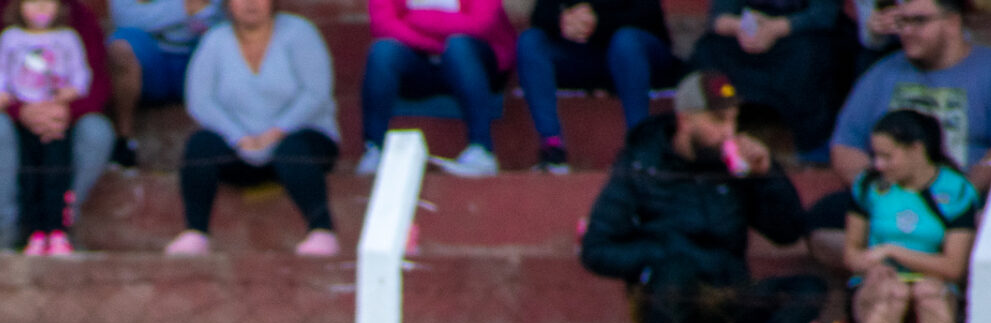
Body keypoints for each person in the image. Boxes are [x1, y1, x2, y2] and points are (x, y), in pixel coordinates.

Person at [580, 71, 827, 323]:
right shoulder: (640, 163)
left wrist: (767, 173)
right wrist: (663, 253)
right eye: (717, 120)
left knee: (809, 289)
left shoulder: (733, 166)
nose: (728, 132)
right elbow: (596, 250)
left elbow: (787, 232)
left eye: (733, 121)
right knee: (675, 271)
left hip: (726, 293)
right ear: (685, 119)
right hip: (664, 296)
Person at [811, 0, 991, 262]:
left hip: (964, 202)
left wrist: (962, 194)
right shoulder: (882, 72)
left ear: (953, 22)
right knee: (823, 217)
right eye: (903, 22)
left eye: (919, 21)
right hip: (891, 201)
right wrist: (881, 193)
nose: (907, 31)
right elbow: (846, 145)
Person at [834, 109, 980, 323]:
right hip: (877, 291)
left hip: (935, 289)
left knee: (929, 292)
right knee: (894, 292)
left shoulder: (955, 191)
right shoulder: (869, 187)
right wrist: (871, 266)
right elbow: (853, 254)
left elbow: (954, 266)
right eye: (876, 156)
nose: (879, 165)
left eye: (888, 156)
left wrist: (894, 251)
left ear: (917, 149)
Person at [166, 0, 342, 256]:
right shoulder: (215, 41)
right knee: (200, 145)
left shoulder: (300, 33)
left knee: (293, 150)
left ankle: (322, 232)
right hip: (241, 146)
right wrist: (238, 137)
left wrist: (277, 131)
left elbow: (316, 93)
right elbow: (200, 100)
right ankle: (196, 233)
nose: (250, 3)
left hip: (302, 140)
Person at [0, 0, 114, 251]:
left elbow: (96, 83)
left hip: (62, 122)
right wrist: (21, 111)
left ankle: (62, 225)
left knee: (97, 131)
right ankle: (7, 228)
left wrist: (61, 111)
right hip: (7, 120)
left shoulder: (79, 17)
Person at [514, 0, 684, 172]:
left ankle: (638, 148)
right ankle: (552, 147)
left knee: (626, 42)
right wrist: (563, 21)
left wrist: (596, 23)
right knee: (530, 40)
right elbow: (540, 14)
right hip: (580, 56)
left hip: (636, 54)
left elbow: (648, 16)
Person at [359, 0, 518, 178]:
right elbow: (383, 25)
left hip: (473, 62)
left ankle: (481, 150)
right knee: (382, 51)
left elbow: (480, 25)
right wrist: (438, 44)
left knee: (459, 47)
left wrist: (421, 19)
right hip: (418, 63)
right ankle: (374, 150)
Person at [0, 0, 94, 255]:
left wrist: (73, 93)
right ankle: (34, 233)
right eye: (33, 2)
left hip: (57, 120)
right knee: (28, 174)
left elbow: (81, 71)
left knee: (57, 173)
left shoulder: (67, 38)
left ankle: (57, 232)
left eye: (48, 2)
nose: (41, 8)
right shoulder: (11, 38)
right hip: (23, 118)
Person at [690, 0, 844, 160]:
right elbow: (718, 18)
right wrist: (741, 27)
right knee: (708, 51)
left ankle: (812, 143)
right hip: (746, 30)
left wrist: (775, 28)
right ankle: (711, 132)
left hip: (797, 31)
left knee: (812, 55)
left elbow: (824, 15)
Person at [107, 0, 227, 168]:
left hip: (198, 53)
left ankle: (231, 140)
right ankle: (124, 140)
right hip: (151, 55)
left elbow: (223, 14)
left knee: (232, 43)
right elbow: (124, 17)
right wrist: (183, 9)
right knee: (120, 49)